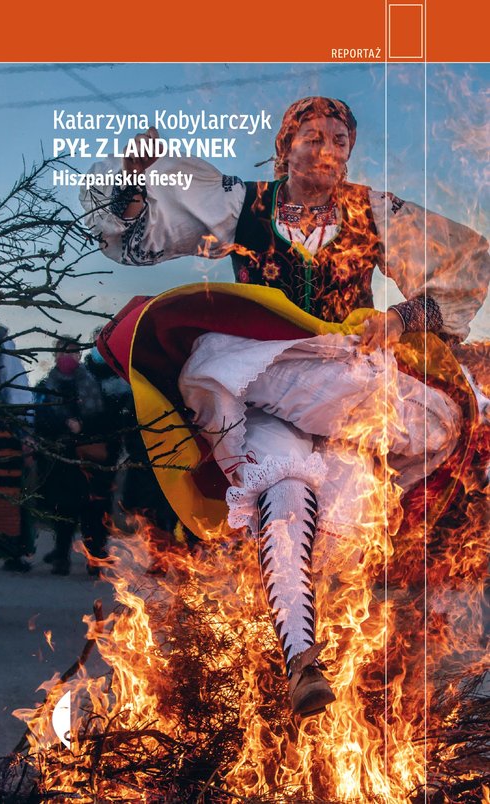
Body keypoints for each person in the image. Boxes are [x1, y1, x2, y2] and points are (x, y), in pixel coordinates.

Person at [81, 97, 489, 718]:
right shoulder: (243, 203)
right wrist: (135, 181)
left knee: (353, 517)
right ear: (285, 145)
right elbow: (138, 231)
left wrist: (402, 319)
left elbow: (465, 265)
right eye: (313, 136)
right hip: (262, 380)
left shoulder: (370, 211)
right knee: (287, 494)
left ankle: (354, 688)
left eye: (340, 140)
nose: (327, 149)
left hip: (342, 382)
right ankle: (301, 661)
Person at [34, 336, 115, 575]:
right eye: (63, 352)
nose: (67, 357)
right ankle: (61, 555)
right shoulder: (46, 385)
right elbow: (40, 418)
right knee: (63, 509)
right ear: (55, 355)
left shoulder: (91, 383)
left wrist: (84, 426)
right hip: (60, 457)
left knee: (93, 509)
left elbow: (105, 419)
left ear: (79, 355)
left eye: (73, 352)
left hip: (89, 457)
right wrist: (61, 425)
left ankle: (96, 555)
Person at [0, 314, 34, 572]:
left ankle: (12, 550)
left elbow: (17, 388)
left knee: (8, 494)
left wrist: (25, 428)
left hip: (1, 428)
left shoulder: (1, 339)